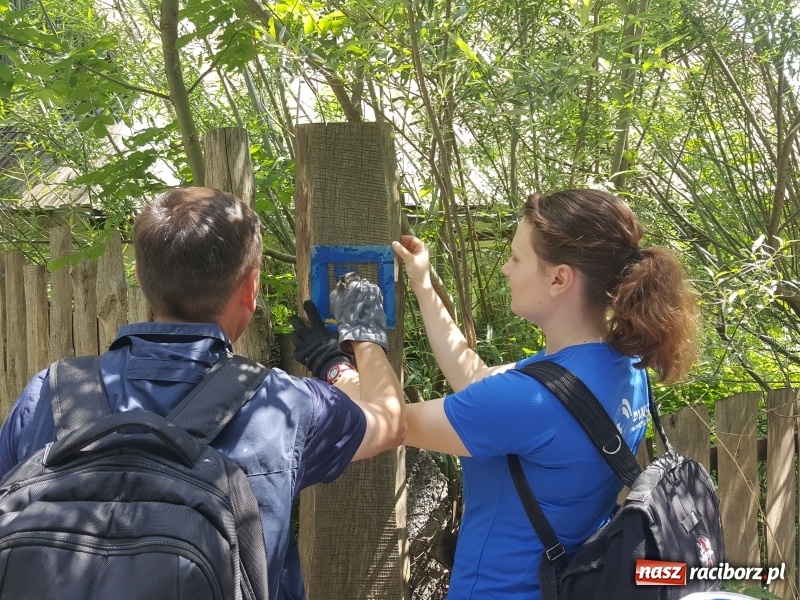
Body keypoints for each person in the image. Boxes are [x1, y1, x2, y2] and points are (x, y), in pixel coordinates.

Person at [0, 186, 405, 600]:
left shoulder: (51, 391)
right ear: (251, 288)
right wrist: (358, 343)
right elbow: (390, 422)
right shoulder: (285, 405)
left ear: (141, 279)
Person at [298, 188, 699, 598]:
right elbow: (477, 381)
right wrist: (422, 284)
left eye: (517, 258)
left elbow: (390, 422)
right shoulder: (623, 367)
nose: (507, 269)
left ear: (559, 278)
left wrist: (351, 352)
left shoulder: (533, 400)